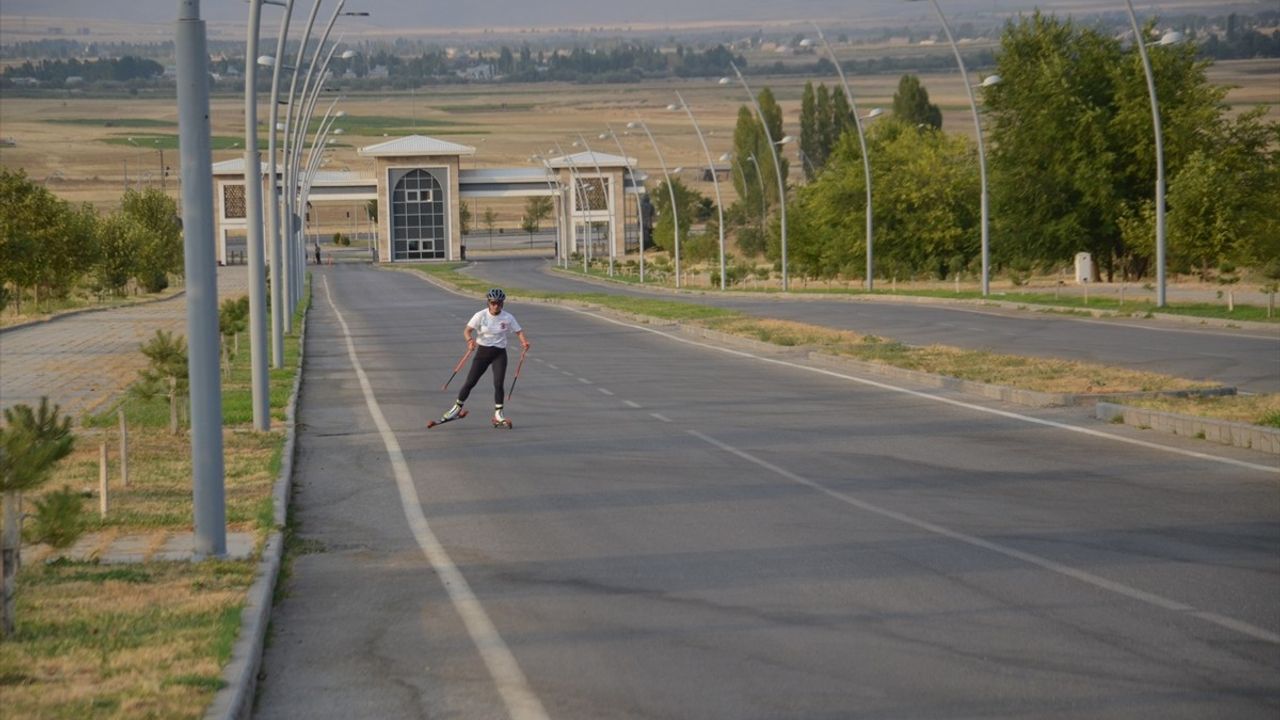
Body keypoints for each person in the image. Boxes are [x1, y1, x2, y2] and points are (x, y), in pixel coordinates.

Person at [439, 288, 530, 425]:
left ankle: (499, 414)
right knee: (470, 382)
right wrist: (470, 341)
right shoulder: (480, 315)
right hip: (483, 353)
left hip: (499, 353)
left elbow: (519, 331)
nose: (496, 306)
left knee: (498, 384)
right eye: (493, 303)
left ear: (502, 304)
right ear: (488, 303)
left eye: (499, 303)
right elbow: (467, 331)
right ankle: (456, 408)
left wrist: (524, 342)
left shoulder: (507, 317)